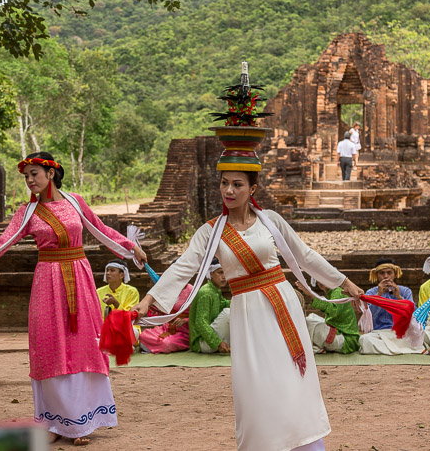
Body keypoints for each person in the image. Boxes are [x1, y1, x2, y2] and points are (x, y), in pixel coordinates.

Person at [132, 64, 364, 451]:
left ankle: (305, 445)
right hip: (247, 312)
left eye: (237, 184)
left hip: (282, 305)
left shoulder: (270, 222)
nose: (228, 190)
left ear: (252, 186)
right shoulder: (211, 231)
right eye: (224, 183)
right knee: (257, 389)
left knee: (293, 379)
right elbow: (183, 267)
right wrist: (149, 300)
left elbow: (305, 257)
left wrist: (348, 284)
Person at [0, 152, 147, 447]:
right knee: (49, 347)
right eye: (26, 176)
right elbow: (0, 245)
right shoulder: (27, 213)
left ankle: (81, 422)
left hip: (78, 277)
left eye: (34, 174)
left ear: (51, 174)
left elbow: (101, 231)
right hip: (47, 282)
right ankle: (53, 421)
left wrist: (131, 248)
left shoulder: (76, 202)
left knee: (81, 346)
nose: (29, 180)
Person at [359, 258, 421, 355]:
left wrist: (399, 297)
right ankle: (399, 351)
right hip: (379, 333)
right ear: (377, 275)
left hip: (401, 333)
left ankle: (388, 350)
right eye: (382, 273)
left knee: (420, 337)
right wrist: (378, 296)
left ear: (395, 275)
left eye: (389, 273)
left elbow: (414, 314)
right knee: (365, 340)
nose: (386, 276)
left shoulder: (405, 291)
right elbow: (368, 317)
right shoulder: (371, 293)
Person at [296, 281, 360, 354]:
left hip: (347, 341)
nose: (320, 281)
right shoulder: (332, 292)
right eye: (317, 279)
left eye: (322, 278)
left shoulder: (339, 292)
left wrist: (311, 295)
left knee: (309, 323)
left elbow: (333, 310)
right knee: (312, 317)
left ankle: (312, 348)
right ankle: (318, 347)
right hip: (340, 334)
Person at [138, 283, 195, 354]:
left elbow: (198, 314)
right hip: (168, 327)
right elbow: (166, 312)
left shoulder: (193, 291)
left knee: (166, 343)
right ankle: (154, 347)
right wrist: (156, 309)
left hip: (184, 331)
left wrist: (185, 320)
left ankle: (152, 347)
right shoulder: (170, 289)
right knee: (144, 335)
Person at [189, 259, 231, 353]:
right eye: (220, 272)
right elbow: (200, 323)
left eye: (226, 272)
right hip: (202, 343)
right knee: (229, 313)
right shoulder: (206, 293)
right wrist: (218, 343)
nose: (224, 276)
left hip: (210, 340)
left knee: (236, 309)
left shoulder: (216, 290)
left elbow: (224, 304)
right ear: (211, 274)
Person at [98, 258, 141, 348]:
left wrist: (116, 304)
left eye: (112, 270)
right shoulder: (98, 292)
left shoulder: (132, 291)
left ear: (121, 275)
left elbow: (131, 316)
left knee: (133, 332)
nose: (108, 273)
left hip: (125, 329)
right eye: (107, 270)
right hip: (103, 331)